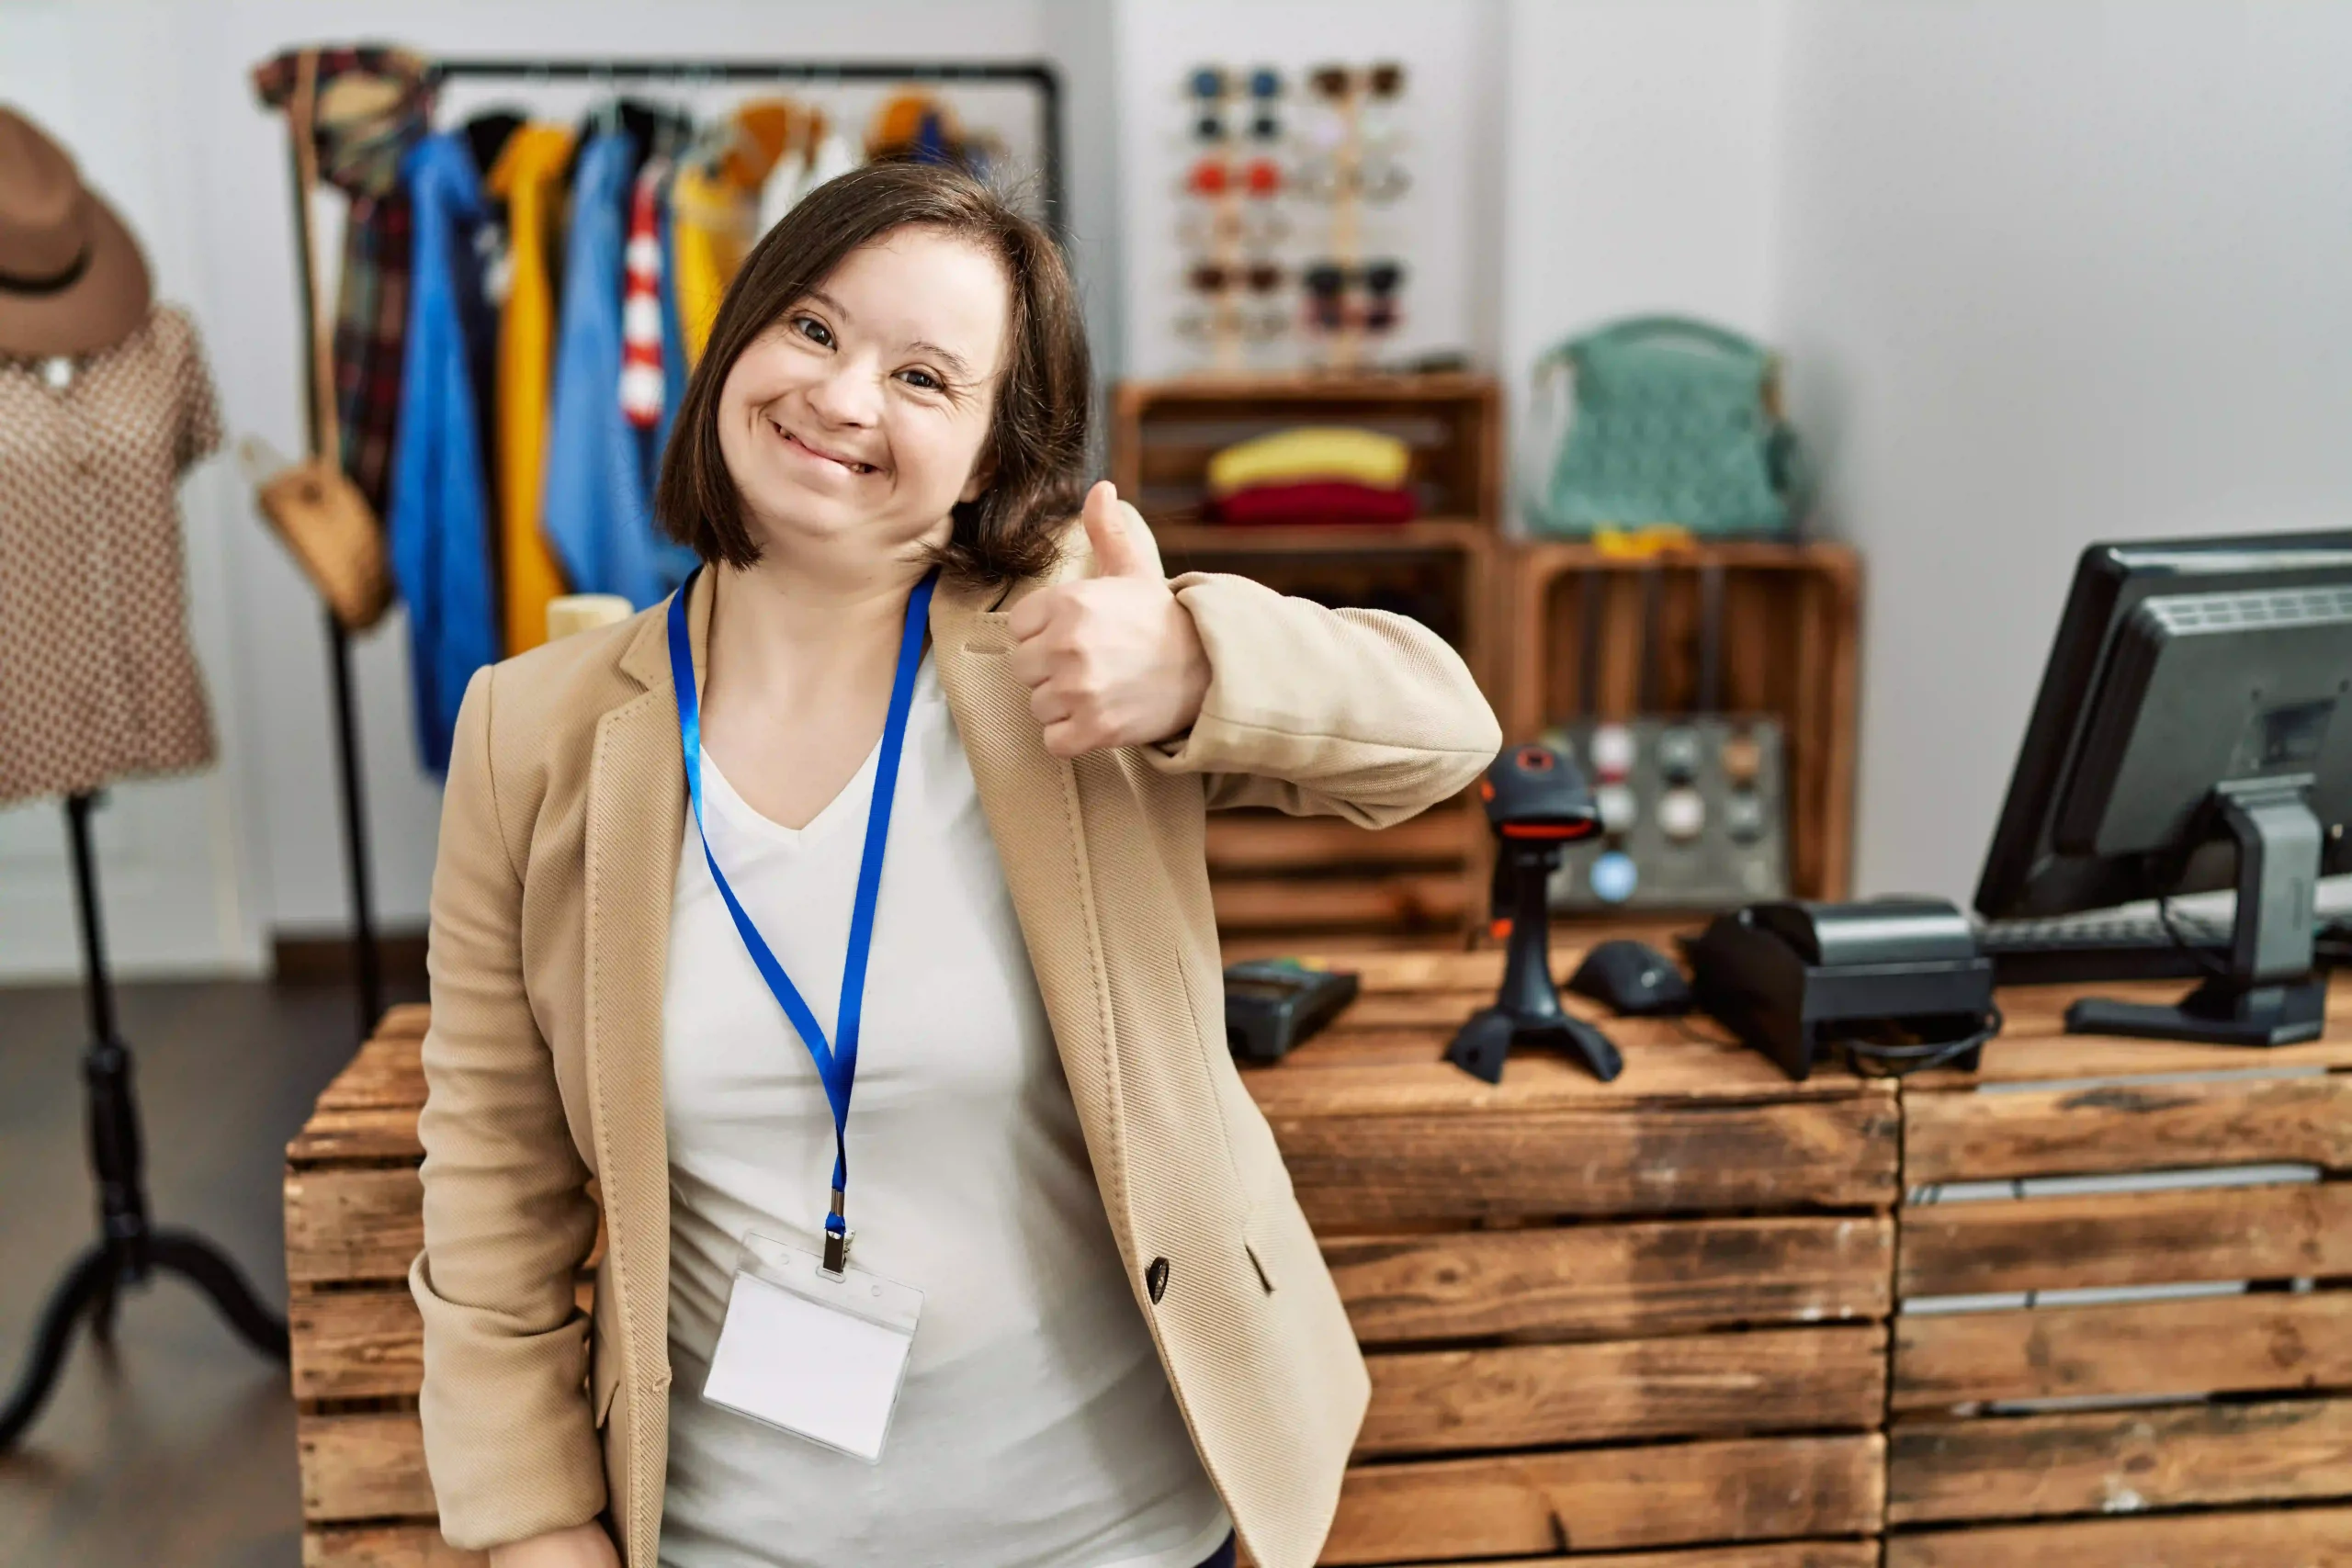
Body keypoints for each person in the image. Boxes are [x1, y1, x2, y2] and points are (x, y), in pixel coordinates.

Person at [409, 160, 1500, 1568]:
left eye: (925, 377)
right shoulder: (534, 731)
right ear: (735, 335)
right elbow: (492, 1174)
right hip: (726, 1539)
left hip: (1119, 1533)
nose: (844, 397)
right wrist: (535, 1525)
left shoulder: (1072, 655)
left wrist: (1192, 661)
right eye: (811, 327)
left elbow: (1445, 731)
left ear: (993, 450)